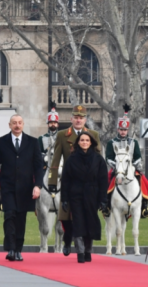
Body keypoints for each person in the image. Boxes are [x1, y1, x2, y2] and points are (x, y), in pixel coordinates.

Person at [48, 105, 101, 256]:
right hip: (69, 181)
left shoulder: (93, 135)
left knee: (85, 214)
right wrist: (52, 182)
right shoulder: (63, 135)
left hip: (88, 183)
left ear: (85, 119)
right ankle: (67, 239)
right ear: (71, 119)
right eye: (76, 118)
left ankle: (84, 246)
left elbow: (98, 160)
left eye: (81, 118)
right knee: (65, 215)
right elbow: (56, 159)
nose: (78, 120)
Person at [0, 114, 44, 261]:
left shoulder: (33, 142)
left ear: (23, 124)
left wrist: (38, 186)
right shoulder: (1, 142)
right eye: (14, 123)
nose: (17, 125)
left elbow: (38, 167)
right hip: (7, 187)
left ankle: (18, 249)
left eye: (20, 123)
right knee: (9, 215)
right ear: (9, 125)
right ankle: (11, 249)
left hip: (26, 188)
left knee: (21, 219)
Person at [61, 132, 108, 263]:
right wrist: (64, 198)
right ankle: (80, 252)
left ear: (91, 142)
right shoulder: (71, 159)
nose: (85, 142)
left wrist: (103, 199)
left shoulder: (98, 159)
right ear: (78, 142)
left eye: (87, 140)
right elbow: (65, 180)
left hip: (92, 194)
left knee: (90, 223)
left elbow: (103, 180)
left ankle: (88, 251)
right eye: (82, 140)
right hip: (76, 194)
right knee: (78, 223)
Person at [105, 104, 148, 219]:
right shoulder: (111, 143)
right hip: (117, 169)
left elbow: (138, 157)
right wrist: (117, 166)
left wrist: (133, 166)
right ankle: (106, 204)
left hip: (131, 169)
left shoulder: (133, 142)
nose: (123, 132)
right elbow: (108, 157)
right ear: (117, 129)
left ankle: (144, 206)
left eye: (125, 130)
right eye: (121, 129)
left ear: (127, 130)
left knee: (143, 181)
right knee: (107, 180)